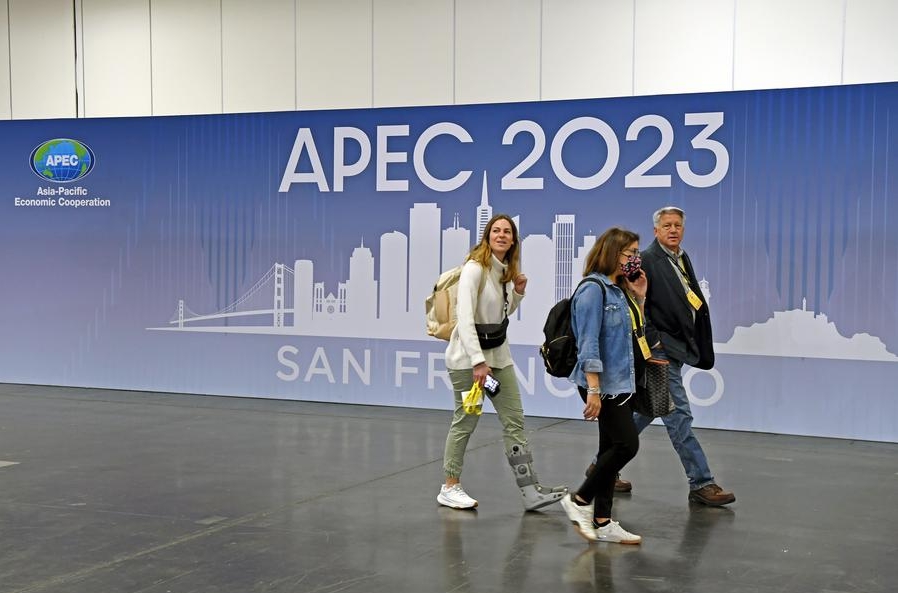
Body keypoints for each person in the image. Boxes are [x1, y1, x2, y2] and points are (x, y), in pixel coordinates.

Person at [437, 214, 568, 511]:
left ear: (513, 240)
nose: (501, 235)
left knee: (515, 420)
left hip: (499, 358)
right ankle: (449, 486)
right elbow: (467, 320)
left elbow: (499, 316)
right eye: (496, 230)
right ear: (487, 236)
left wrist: (517, 292)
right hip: (467, 362)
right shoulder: (474, 269)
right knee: (466, 420)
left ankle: (530, 490)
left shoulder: (504, 271)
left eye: (507, 232)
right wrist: (478, 363)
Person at [631, 206, 735, 506]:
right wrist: (652, 344)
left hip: (676, 346)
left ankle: (602, 465)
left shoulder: (681, 257)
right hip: (659, 349)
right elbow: (635, 303)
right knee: (679, 415)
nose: (673, 230)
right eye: (667, 225)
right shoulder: (645, 259)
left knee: (649, 410)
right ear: (655, 230)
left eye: (677, 225)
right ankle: (702, 482)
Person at [560, 227, 646, 544]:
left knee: (609, 448)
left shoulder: (618, 290)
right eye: (629, 253)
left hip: (621, 382)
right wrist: (593, 390)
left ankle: (603, 520)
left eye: (636, 253)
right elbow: (588, 344)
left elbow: (633, 335)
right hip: (602, 384)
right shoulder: (592, 291)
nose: (635, 259)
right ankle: (579, 500)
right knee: (627, 444)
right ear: (612, 253)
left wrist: (640, 296)